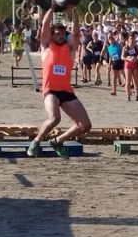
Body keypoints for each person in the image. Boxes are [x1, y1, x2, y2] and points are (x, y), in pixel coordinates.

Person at [27, 8, 92, 159]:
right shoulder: (46, 47)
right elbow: (44, 24)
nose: (60, 35)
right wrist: (52, 7)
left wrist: (74, 10)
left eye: (63, 33)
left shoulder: (70, 49)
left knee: (85, 125)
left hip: (66, 91)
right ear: (52, 35)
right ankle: (36, 141)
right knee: (54, 119)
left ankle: (57, 141)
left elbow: (76, 32)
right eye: (57, 33)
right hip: (50, 91)